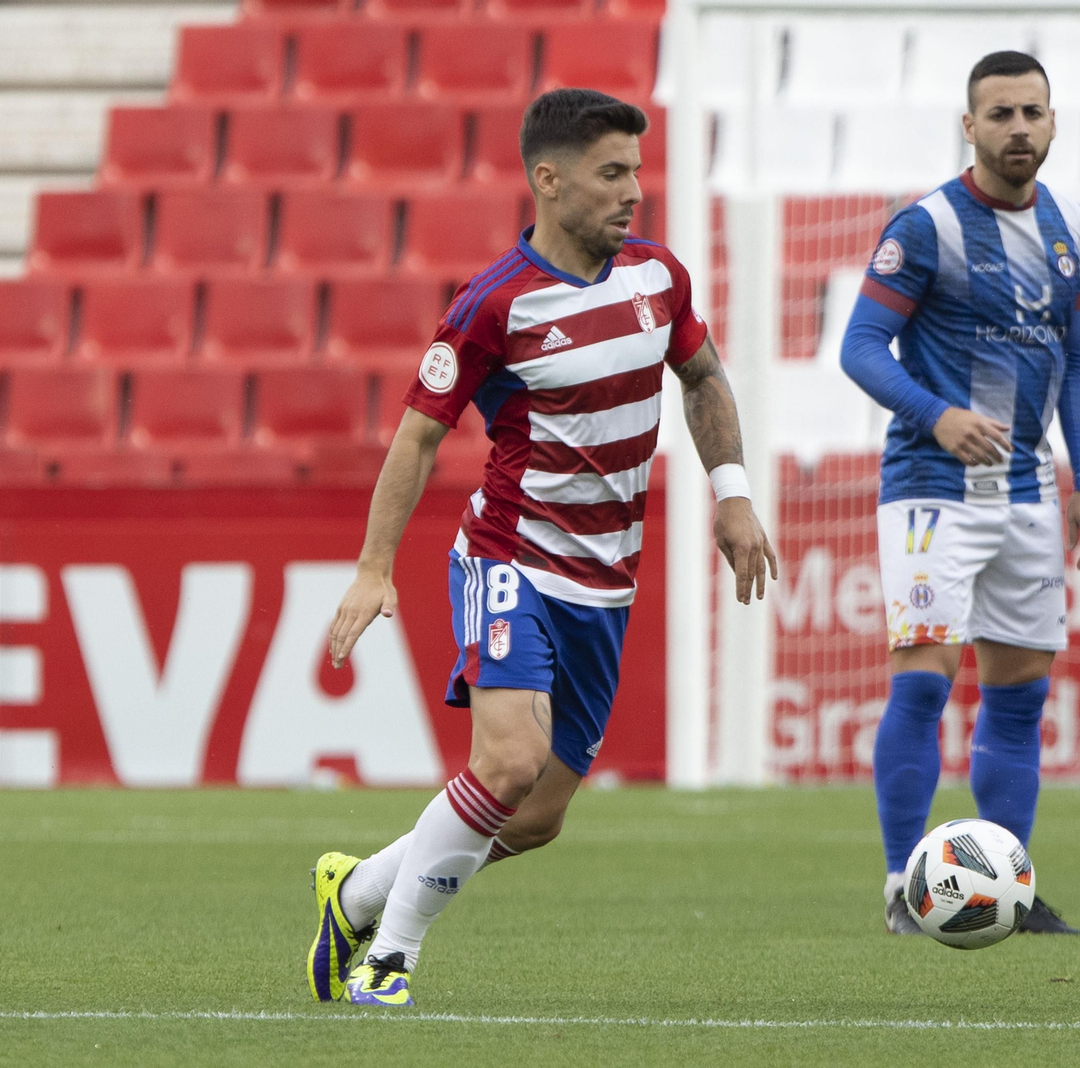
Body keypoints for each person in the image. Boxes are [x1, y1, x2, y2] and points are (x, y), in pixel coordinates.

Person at [304, 88, 778, 1007]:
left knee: (532, 818)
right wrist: (374, 567)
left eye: (637, 171)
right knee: (508, 764)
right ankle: (389, 957)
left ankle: (356, 891)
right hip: (510, 557)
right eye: (611, 173)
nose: (633, 191)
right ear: (549, 181)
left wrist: (732, 494)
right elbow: (417, 435)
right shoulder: (495, 305)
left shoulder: (659, 277)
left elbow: (705, 377)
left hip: (606, 580)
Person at [840, 51, 1080, 937]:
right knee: (924, 684)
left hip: (1029, 491)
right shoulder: (927, 227)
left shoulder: (1070, 221)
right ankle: (898, 888)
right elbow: (862, 347)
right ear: (971, 126)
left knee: (1020, 692)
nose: (1018, 128)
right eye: (1000, 114)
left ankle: (1005, 889)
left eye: (1032, 112)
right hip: (932, 489)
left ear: (1054, 121)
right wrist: (938, 414)